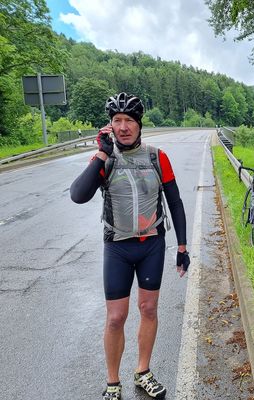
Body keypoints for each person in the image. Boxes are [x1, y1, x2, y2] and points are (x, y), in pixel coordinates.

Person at [70, 92, 190, 400]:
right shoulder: (106, 159)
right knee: (115, 317)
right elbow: (78, 195)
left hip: (152, 245)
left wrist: (182, 246)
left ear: (139, 124)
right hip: (118, 247)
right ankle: (113, 381)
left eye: (129, 120)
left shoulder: (157, 157)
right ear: (109, 125)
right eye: (117, 120)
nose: (123, 127)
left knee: (148, 309)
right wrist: (101, 154)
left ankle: (143, 371)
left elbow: (175, 203)